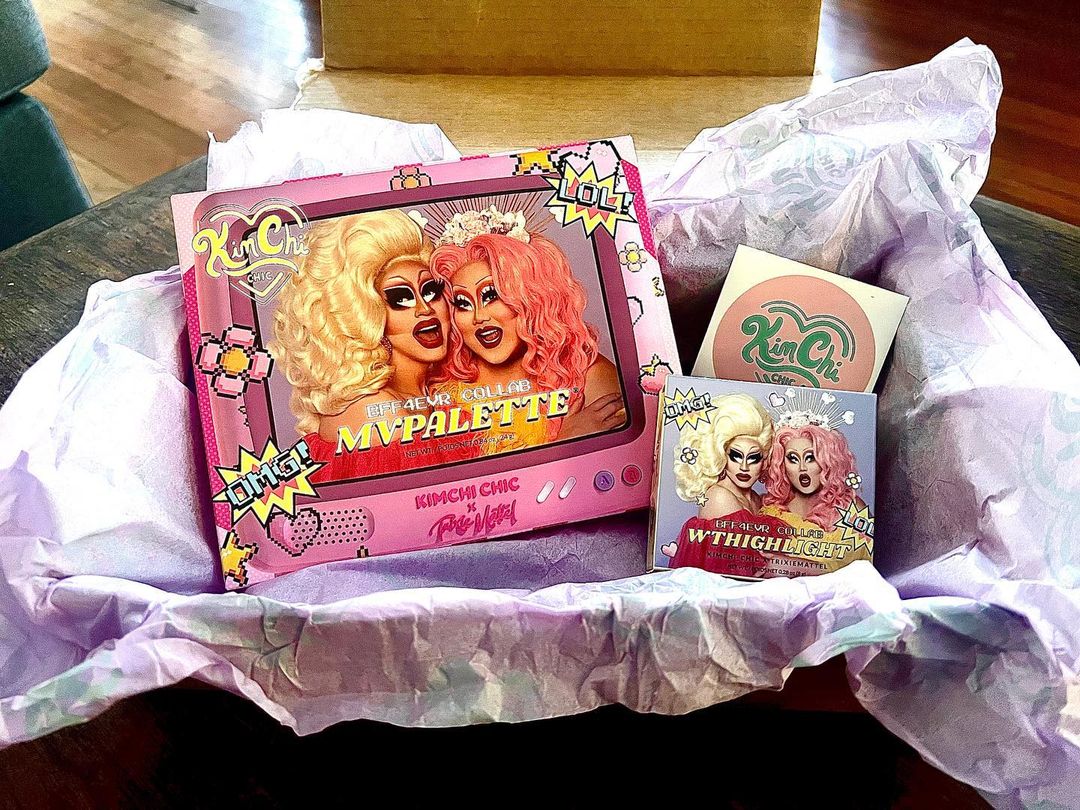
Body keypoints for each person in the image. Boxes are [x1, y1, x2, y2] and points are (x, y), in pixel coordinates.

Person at [270, 209, 473, 481]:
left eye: (430, 291)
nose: (425, 309)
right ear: (365, 316)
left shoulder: (434, 394)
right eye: (400, 298)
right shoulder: (378, 415)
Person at [429, 207, 624, 452]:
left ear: (533, 298)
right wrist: (561, 445)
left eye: (492, 295)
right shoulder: (441, 386)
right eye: (463, 303)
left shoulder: (589, 376)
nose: (479, 317)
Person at [760, 423, 873, 570]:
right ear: (781, 464)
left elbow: (869, 571)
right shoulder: (771, 510)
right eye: (793, 459)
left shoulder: (852, 510)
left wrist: (799, 567)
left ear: (828, 460)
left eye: (810, 458)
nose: (802, 468)